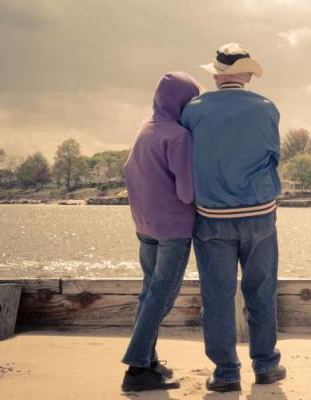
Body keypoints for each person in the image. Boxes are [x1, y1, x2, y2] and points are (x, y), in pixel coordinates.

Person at [181, 42, 285, 393]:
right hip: (259, 214)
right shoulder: (267, 108)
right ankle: (266, 365)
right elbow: (273, 156)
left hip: (211, 216)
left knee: (218, 295)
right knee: (261, 290)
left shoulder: (193, 110)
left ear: (216, 75)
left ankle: (226, 372)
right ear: (245, 74)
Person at [120, 72, 201, 392]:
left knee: (148, 292)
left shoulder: (145, 129)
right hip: (173, 229)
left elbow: (129, 171)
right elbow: (186, 193)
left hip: (144, 225)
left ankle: (150, 360)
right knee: (162, 296)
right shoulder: (178, 136)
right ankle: (137, 368)